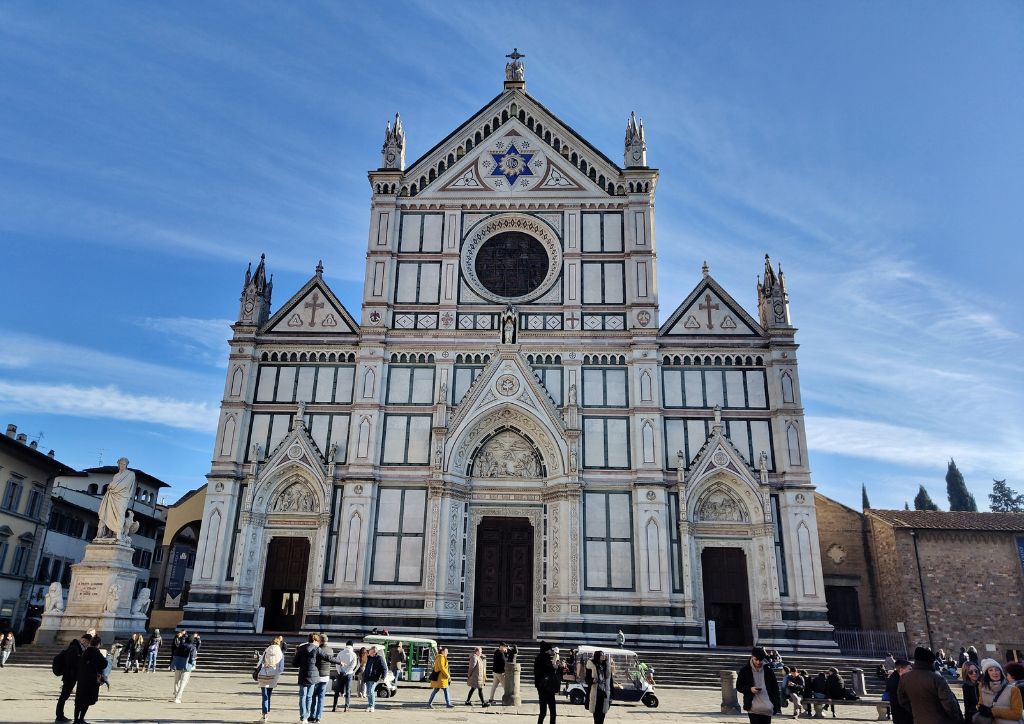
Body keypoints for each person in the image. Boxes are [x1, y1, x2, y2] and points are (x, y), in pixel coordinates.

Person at [897, 646, 964, 724]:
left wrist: (916, 711)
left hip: (919, 720)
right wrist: (956, 719)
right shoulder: (936, 678)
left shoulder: (905, 679)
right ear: (930, 662)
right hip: (941, 720)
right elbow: (949, 703)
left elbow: (902, 700)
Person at [56, 630, 94, 722]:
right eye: (87, 643)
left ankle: (60, 715)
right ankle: (59, 715)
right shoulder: (74, 648)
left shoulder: (78, 648)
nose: (87, 645)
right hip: (70, 675)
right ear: (83, 641)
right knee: (64, 696)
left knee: (65, 695)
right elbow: (71, 662)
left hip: (72, 675)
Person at [736, 646, 781, 724]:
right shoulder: (745, 670)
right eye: (756, 659)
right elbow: (739, 686)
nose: (758, 662)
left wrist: (776, 705)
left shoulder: (769, 671)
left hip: (767, 707)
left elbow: (775, 689)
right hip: (753, 707)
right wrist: (750, 689)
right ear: (752, 657)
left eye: (760, 660)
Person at [292, 633, 331, 723]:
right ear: (315, 640)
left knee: (302, 697)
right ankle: (307, 715)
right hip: (313, 677)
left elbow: (294, 664)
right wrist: (339, 662)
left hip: (303, 676)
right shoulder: (317, 649)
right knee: (309, 697)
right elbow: (327, 658)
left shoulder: (301, 648)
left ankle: (303, 718)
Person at [977, 658, 1023, 724]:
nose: (995, 672)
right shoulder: (982, 688)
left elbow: (1017, 714)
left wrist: (992, 711)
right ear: (987, 673)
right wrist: (980, 708)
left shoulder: (1013, 690)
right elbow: (980, 705)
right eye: (991, 670)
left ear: (1000, 671)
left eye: (997, 670)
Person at [73, 635, 107, 724]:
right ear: (98, 644)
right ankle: (81, 719)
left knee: (79, 699)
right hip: (91, 679)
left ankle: (76, 719)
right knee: (87, 700)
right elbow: (104, 664)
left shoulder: (85, 651)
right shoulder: (96, 652)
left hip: (82, 678)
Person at [310, 633, 335, 723]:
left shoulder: (317, 649)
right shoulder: (331, 650)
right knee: (321, 697)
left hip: (317, 675)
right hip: (326, 676)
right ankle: (318, 717)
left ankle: (312, 715)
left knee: (313, 696)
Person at [534, 641, 561, 724]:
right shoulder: (543, 659)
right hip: (546, 687)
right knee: (551, 712)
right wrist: (555, 667)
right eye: (550, 649)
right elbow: (548, 671)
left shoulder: (541, 658)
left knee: (544, 712)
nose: (551, 651)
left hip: (543, 687)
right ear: (546, 650)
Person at [585, 649, 614, 724]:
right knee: (596, 714)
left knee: (603, 714)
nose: (603, 656)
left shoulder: (605, 665)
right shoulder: (592, 666)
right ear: (598, 656)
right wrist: (592, 680)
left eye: (603, 654)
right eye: (602, 655)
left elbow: (610, 680)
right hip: (595, 693)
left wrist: (612, 694)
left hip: (604, 692)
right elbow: (586, 679)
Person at [170, 630, 198, 704]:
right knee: (183, 683)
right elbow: (192, 658)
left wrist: (173, 664)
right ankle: (178, 698)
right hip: (187, 666)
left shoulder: (180, 645)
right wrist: (193, 665)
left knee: (176, 681)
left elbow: (175, 655)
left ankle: (176, 694)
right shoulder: (193, 647)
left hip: (178, 665)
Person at [332, 640, 357, 713]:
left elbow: (337, 663)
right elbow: (353, 665)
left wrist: (340, 671)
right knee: (348, 691)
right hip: (348, 674)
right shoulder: (353, 654)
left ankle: (334, 706)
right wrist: (346, 671)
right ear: (352, 646)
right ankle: (346, 706)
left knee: (337, 690)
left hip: (340, 673)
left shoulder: (340, 653)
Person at [885, 659, 913, 724]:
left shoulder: (896, 678)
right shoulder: (897, 682)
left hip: (901, 716)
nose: (912, 671)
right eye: (909, 669)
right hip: (903, 716)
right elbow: (903, 701)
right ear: (901, 670)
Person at [361, 645, 387, 713]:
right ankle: (369, 706)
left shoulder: (379, 658)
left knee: (371, 691)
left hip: (374, 677)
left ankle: (372, 706)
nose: (369, 651)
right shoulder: (368, 658)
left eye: (370, 651)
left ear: (374, 652)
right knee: (368, 692)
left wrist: (383, 677)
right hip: (367, 677)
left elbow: (384, 668)